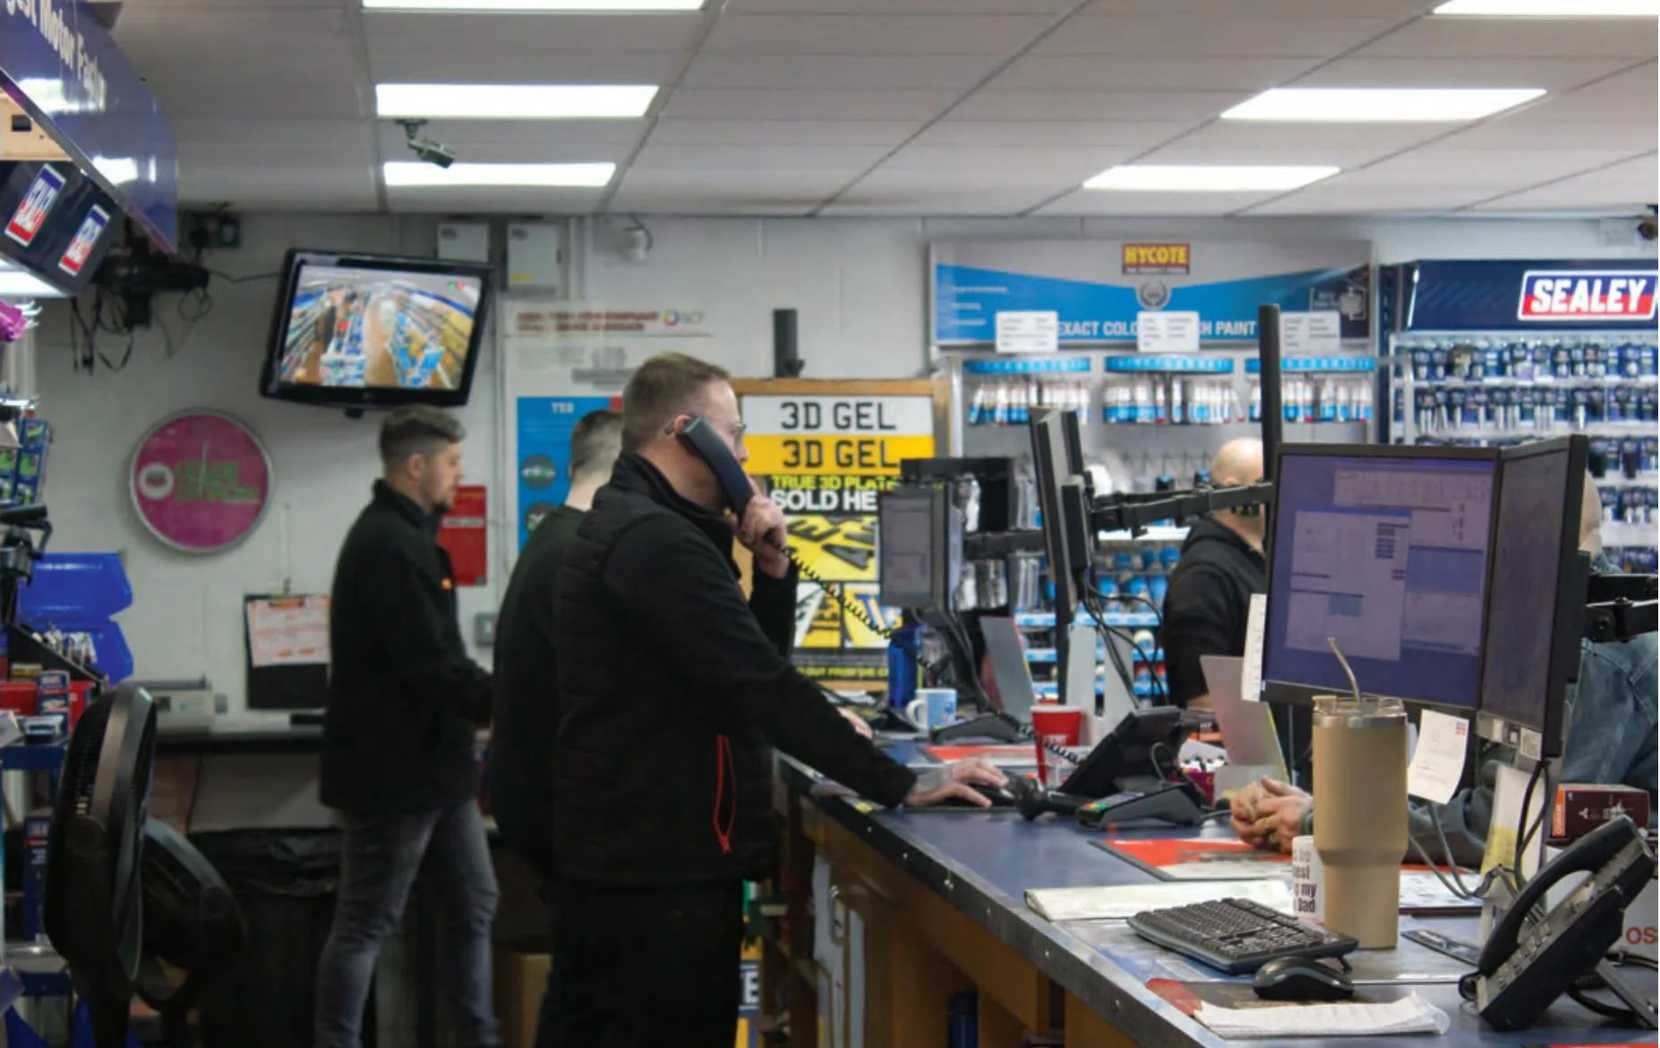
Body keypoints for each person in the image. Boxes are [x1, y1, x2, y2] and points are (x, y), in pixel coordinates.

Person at [545, 352, 1005, 1046]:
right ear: (686, 431)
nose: (744, 453)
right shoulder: (654, 542)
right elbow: (761, 686)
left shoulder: (646, 526)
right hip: (654, 873)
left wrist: (773, 572)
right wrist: (900, 782)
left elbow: (738, 673)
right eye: (733, 436)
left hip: (636, 860)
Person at [1231, 478, 1658, 866]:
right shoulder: (1533, 628)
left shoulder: (1595, 653)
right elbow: (1457, 792)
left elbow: (1508, 827)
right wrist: (1324, 813)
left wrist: (1326, 824)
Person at [315, 407, 498, 1048]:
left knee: (475, 902)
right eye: (451, 462)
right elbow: (431, 663)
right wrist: (503, 702)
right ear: (415, 466)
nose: (459, 473)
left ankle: (478, 1036)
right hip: (393, 772)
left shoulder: (413, 540)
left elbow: (440, 658)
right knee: (367, 921)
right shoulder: (389, 547)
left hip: (439, 771)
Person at [490, 407, 624, 879]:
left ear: (571, 469)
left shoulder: (552, 536)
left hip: (534, 796)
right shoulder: (584, 550)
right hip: (565, 808)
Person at [1160, 437, 1265, 709]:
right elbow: (1203, 701)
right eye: (1265, 483)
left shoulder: (1252, 557)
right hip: (1240, 749)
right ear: (1234, 493)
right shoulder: (1204, 577)